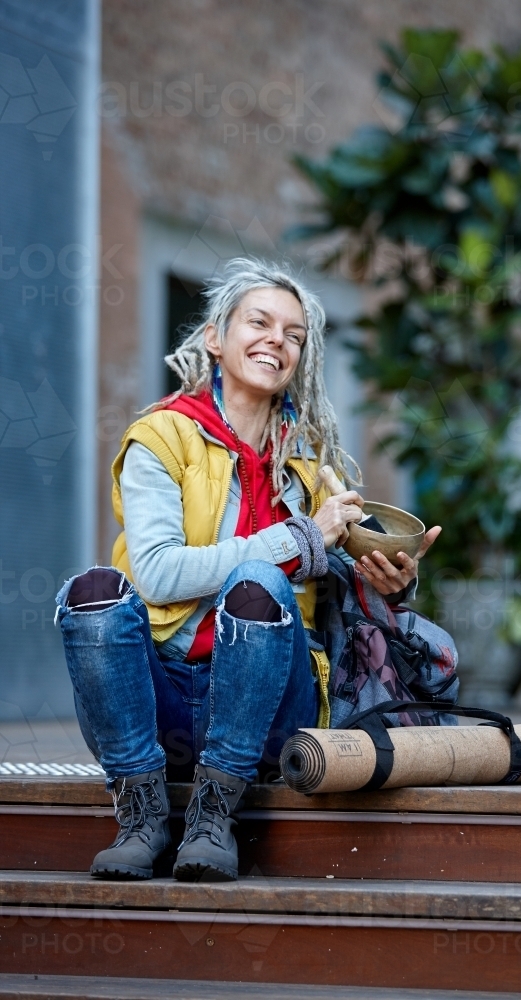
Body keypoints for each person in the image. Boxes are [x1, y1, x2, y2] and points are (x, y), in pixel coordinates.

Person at [55, 258, 442, 883]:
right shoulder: (161, 439)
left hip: (267, 710)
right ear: (215, 336)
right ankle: (141, 813)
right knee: (92, 592)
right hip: (161, 702)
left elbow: (349, 574)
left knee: (259, 584)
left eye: (294, 334)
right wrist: (297, 538)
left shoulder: (311, 466)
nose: (277, 340)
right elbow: (155, 574)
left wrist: (394, 578)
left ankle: (215, 813)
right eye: (259, 322)